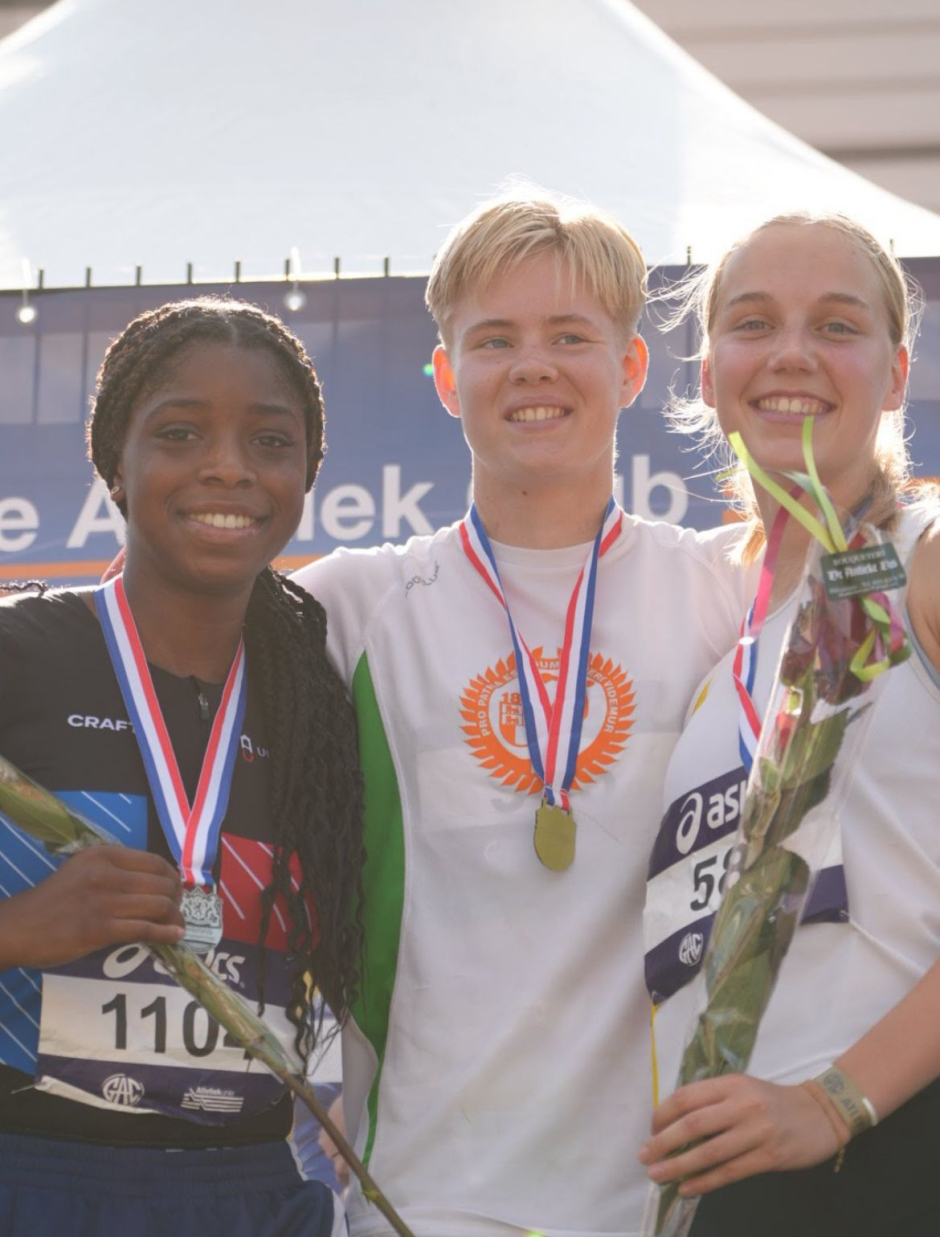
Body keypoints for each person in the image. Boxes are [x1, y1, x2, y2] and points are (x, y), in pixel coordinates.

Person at [293, 192, 752, 1237]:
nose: (532, 365)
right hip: (418, 1196)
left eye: (569, 336)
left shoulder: (725, 599)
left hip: (666, 1198)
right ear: (447, 377)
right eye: (493, 339)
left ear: (631, 369)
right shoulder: (347, 606)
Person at [0, 299, 365, 1237]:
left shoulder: (322, 710)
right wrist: (15, 929)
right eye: (180, 432)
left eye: (270, 440)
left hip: (251, 1189)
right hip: (30, 1176)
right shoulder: (19, 653)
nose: (229, 466)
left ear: (306, 473)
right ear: (112, 461)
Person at [639, 214, 940, 1237]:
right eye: (753, 322)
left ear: (896, 372)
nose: (791, 353)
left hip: (893, 1149)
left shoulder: (926, 555)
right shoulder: (726, 639)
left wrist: (835, 1100)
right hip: (747, 1177)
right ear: (711, 371)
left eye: (836, 325)